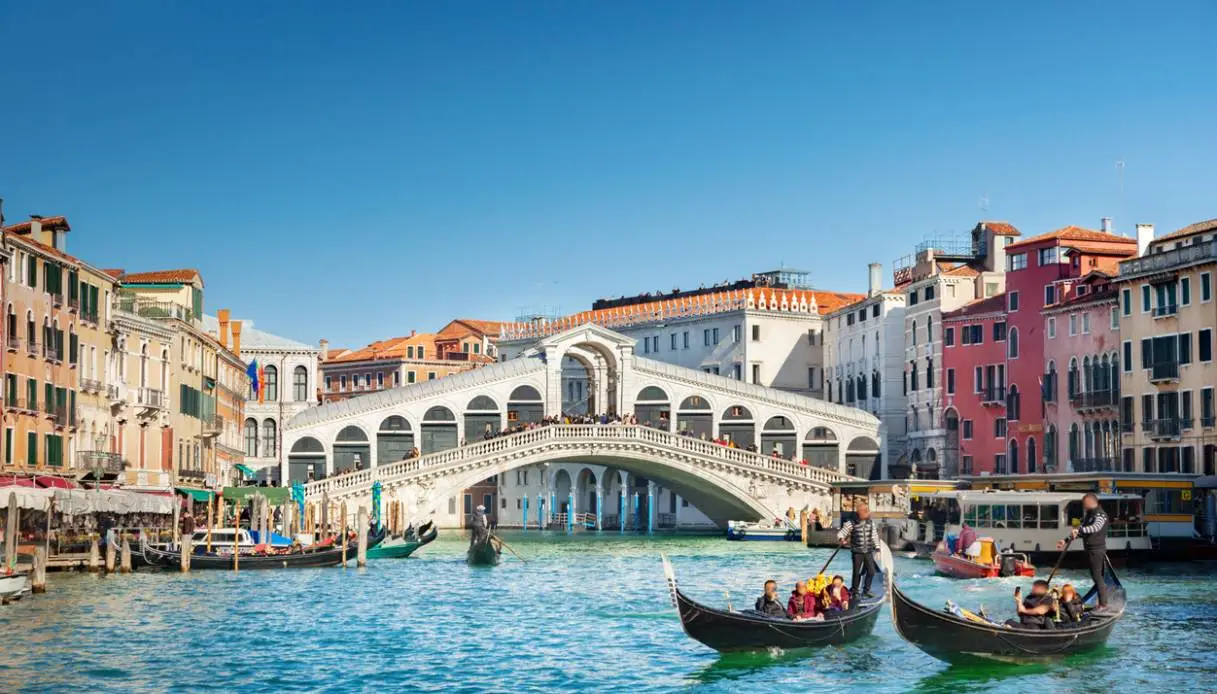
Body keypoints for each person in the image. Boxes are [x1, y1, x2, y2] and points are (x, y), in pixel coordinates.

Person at [1059, 493, 1110, 610]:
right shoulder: (1089, 515)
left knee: (1097, 576)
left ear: (1090, 502)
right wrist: (1065, 540)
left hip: (1096, 550)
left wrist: (1080, 529)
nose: (1084, 507)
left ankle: (1103, 604)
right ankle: (1102, 598)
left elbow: (1095, 528)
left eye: (1084, 504)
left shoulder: (1100, 515)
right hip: (1090, 549)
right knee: (1095, 576)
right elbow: (1081, 532)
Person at [837, 503, 882, 599]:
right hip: (857, 552)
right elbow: (840, 533)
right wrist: (842, 540)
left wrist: (878, 549)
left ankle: (866, 590)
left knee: (871, 571)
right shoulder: (850, 523)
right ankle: (854, 591)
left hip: (868, 551)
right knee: (856, 572)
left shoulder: (871, 523)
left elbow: (874, 536)